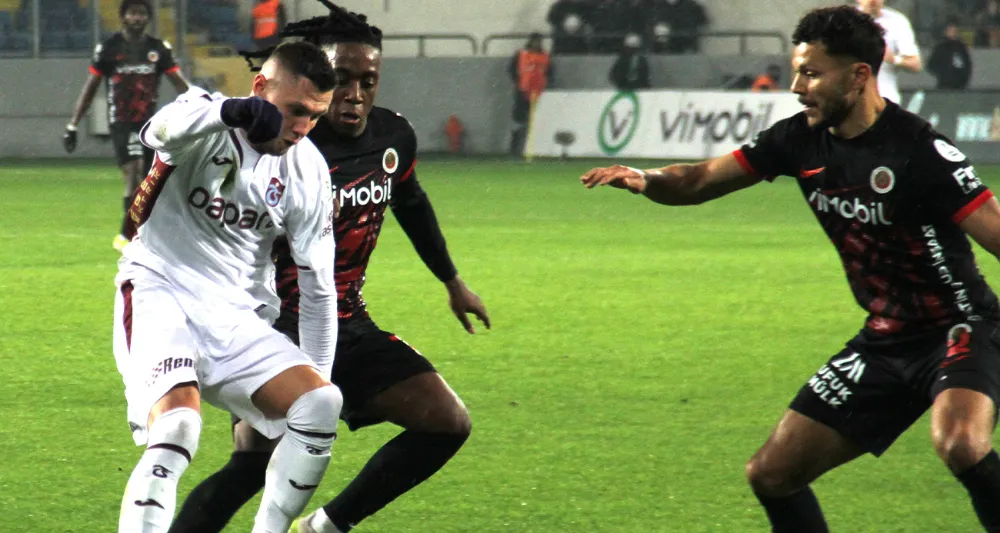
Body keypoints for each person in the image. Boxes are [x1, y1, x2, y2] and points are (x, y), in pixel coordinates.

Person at [581, 6, 1000, 531]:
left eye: (811, 74)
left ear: (859, 75)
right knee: (771, 474)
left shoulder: (920, 150)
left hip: (961, 328)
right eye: (796, 72)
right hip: (885, 339)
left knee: (960, 445)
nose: (798, 87)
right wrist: (647, 178)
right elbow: (700, 179)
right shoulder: (797, 139)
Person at [168, 3, 490, 533]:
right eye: (342, 79)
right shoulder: (285, 144)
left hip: (349, 322)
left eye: (369, 81)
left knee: (446, 422)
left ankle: (325, 526)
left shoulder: (393, 136)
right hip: (273, 328)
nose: (355, 94)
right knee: (253, 464)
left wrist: (452, 281)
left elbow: (410, 201)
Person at [113, 40, 342, 533]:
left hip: (236, 317)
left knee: (322, 403)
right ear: (260, 87)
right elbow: (158, 132)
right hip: (159, 290)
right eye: (295, 110)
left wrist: (308, 395)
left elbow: (319, 289)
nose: (302, 127)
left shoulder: (308, 169)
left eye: (315, 116)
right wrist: (229, 113)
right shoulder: (203, 114)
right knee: (177, 427)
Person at [64, 0, 189, 252]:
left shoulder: (157, 49)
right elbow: (91, 87)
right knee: (134, 171)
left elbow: (179, 83)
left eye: (141, 13)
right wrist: (73, 124)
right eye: (132, 13)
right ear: (123, 17)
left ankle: (142, 232)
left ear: (148, 18)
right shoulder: (109, 48)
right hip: (121, 121)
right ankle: (126, 235)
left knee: (148, 180)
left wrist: (201, 107)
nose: (137, 18)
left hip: (149, 124)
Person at [857, 0, 922, 103]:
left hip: (885, 97)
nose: (873, 1)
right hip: (851, 98)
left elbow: (916, 64)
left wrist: (894, 59)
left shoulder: (897, 21)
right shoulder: (844, 20)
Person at [507, 32, 552, 156]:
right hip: (523, 91)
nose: (537, 44)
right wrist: (518, 82)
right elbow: (512, 70)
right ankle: (515, 148)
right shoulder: (521, 54)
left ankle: (536, 148)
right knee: (519, 120)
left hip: (539, 92)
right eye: (535, 41)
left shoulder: (545, 56)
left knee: (536, 120)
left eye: (539, 41)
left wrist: (546, 84)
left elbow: (549, 72)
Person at [928, 19, 973, 89]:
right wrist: (942, 73)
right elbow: (931, 65)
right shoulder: (941, 48)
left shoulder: (961, 48)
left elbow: (967, 66)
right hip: (944, 85)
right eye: (951, 31)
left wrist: (963, 78)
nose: (953, 33)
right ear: (946, 32)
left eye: (955, 31)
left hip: (959, 86)